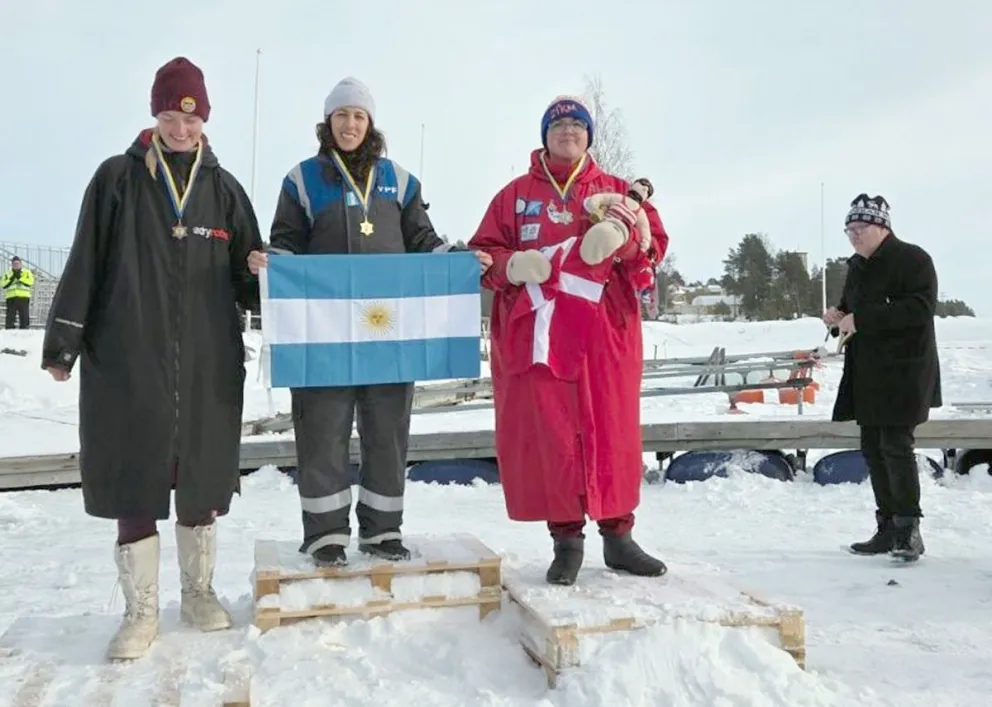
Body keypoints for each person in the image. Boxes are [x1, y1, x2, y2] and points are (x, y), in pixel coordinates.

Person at [41, 56, 265, 660]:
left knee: (201, 476)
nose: (181, 129)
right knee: (134, 477)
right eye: (170, 117)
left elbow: (248, 281)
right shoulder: (117, 179)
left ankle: (197, 593)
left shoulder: (224, 189)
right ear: (155, 116)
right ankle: (140, 611)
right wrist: (63, 344)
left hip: (207, 360)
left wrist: (258, 272)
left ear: (205, 120)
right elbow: (85, 261)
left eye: (191, 119)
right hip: (128, 356)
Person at [250, 77, 491, 568]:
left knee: (387, 433)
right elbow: (287, 241)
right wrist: (270, 260)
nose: (350, 124)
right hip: (323, 333)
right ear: (328, 122)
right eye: (342, 115)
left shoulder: (399, 180)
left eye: (359, 116)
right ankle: (325, 535)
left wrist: (460, 259)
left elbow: (423, 241)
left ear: (370, 123)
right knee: (322, 431)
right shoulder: (302, 180)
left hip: (388, 332)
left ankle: (383, 532)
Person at [467, 95, 670, 586]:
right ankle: (566, 542)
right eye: (558, 125)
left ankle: (619, 538)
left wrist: (623, 239)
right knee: (552, 433)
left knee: (610, 428)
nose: (568, 131)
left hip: (604, 334)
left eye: (577, 124)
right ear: (544, 136)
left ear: (588, 135)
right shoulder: (514, 197)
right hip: (539, 336)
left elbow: (653, 247)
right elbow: (482, 254)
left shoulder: (616, 191)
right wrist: (511, 265)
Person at [824, 193, 941, 563]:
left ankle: (908, 531)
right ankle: (887, 528)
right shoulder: (858, 266)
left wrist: (860, 319)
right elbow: (853, 312)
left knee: (896, 447)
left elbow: (920, 308)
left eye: (860, 228)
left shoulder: (913, 259)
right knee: (873, 449)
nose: (854, 235)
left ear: (882, 227)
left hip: (904, 372)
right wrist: (838, 317)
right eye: (849, 230)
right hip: (867, 372)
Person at [2, 256, 34, 328]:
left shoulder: (27, 272)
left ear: (21, 264)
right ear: (12, 264)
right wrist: (12, 278)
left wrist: (20, 278)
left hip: (23, 296)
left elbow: (30, 282)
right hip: (11, 296)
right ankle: (9, 329)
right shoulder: (7, 273)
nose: (16, 265)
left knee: (24, 315)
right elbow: (3, 284)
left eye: (17, 263)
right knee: (10, 316)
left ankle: (25, 329)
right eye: (14, 264)